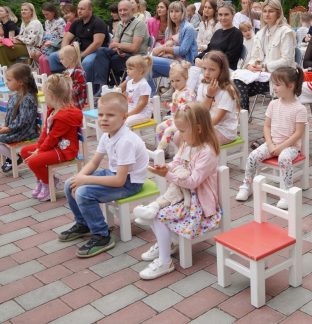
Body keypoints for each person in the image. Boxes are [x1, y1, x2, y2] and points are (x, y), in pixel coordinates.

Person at [58, 92, 149, 257]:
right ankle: (84, 223)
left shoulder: (125, 141)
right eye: (101, 114)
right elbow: (93, 163)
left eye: (110, 115)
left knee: (83, 192)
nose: (104, 119)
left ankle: (102, 235)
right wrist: (78, 179)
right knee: (69, 184)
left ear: (124, 117)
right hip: (115, 175)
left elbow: (120, 180)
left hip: (130, 183)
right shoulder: (108, 134)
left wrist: (84, 181)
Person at [139, 102, 222, 279]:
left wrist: (167, 175)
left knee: (159, 215)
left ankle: (165, 261)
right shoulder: (188, 144)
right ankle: (166, 245)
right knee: (153, 211)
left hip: (198, 202)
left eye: (183, 131)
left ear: (198, 129)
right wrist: (165, 167)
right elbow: (176, 163)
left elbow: (192, 182)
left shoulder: (207, 152)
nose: (180, 136)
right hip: (184, 195)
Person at [236, 67, 307, 208]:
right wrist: (270, 144)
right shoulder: (273, 104)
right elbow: (266, 127)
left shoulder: (300, 109)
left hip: (291, 147)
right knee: (253, 156)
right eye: (273, 83)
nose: (274, 88)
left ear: (291, 86)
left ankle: (287, 193)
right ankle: (246, 185)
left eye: (278, 84)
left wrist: (281, 147)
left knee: (284, 158)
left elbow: (298, 133)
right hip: (272, 144)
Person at [21, 74, 83, 201]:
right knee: (24, 151)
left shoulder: (64, 115)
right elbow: (46, 132)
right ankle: (45, 180)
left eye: (44, 94)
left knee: (33, 161)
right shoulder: (53, 110)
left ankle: (49, 184)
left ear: (50, 95)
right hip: (53, 146)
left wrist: (39, 152)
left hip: (64, 150)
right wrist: (38, 147)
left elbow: (52, 138)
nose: (44, 97)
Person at [234, 0, 296, 112]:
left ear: (278, 13)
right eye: (264, 11)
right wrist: (250, 66)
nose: (267, 14)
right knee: (236, 82)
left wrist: (264, 67)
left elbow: (286, 60)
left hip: (278, 76)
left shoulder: (285, 32)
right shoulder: (261, 33)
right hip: (261, 74)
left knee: (239, 86)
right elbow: (254, 56)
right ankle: (242, 117)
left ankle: (242, 119)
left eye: (271, 11)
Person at [0, 64, 40, 173]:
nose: (6, 82)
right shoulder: (14, 96)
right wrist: (4, 124)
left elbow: (23, 121)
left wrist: (8, 129)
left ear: (21, 82)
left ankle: (16, 158)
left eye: (9, 80)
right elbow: (9, 114)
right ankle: (12, 157)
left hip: (24, 132)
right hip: (12, 129)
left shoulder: (27, 99)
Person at [91, 0, 149, 95]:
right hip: (121, 55)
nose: (122, 13)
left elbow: (134, 48)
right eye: (120, 10)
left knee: (100, 61)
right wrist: (118, 49)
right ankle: (103, 86)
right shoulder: (120, 25)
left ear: (133, 10)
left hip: (135, 57)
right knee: (101, 51)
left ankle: (103, 90)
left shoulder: (139, 24)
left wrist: (118, 46)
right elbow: (112, 45)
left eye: (125, 10)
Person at [46, 0, 109, 81]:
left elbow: (97, 43)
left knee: (86, 63)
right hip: (77, 51)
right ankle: (62, 83)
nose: (79, 11)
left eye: (82, 9)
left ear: (90, 10)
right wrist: (64, 52)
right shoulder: (76, 23)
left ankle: (88, 88)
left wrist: (81, 56)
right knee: (53, 57)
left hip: (94, 52)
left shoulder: (98, 22)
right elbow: (66, 39)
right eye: (78, 8)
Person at [187, 2, 244, 91]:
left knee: (200, 79)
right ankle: (186, 100)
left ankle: (190, 101)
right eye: (220, 15)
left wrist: (208, 62)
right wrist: (198, 58)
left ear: (233, 15)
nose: (223, 18)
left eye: (226, 14)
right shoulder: (218, 32)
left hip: (225, 68)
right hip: (211, 66)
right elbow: (209, 49)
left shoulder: (236, 33)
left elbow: (230, 56)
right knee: (193, 70)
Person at [195, 51, 240, 145]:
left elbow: (216, 119)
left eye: (212, 69)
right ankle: (186, 159)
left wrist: (198, 127)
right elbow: (202, 111)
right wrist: (209, 96)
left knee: (197, 139)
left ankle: (201, 159)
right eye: (204, 68)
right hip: (206, 126)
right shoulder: (203, 85)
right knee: (180, 135)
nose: (206, 73)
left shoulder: (227, 91)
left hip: (225, 131)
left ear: (221, 70)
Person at [150, 2, 198, 88]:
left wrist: (161, 49)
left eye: (177, 11)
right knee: (143, 72)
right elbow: (168, 48)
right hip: (171, 61)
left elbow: (183, 50)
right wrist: (163, 52)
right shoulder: (169, 29)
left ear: (183, 13)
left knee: (148, 60)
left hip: (184, 64)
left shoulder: (188, 28)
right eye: (171, 11)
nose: (173, 14)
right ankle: (151, 97)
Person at [0, 2, 44, 68]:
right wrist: (17, 38)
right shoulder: (23, 23)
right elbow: (22, 36)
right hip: (22, 45)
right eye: (22, 10)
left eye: (25, 10)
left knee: (1, 48)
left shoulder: (35, 23)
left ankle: (2, 69)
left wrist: (16, 39)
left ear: (32, 11)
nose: (23, 11)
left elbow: (30, 40)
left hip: (31, 48)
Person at [156, 61, 196, 150]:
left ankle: (159, 152)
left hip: (185, 121)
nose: (175, 84)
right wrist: (169, 106)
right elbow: (174, 106)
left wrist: (177, 105)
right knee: (159, 128)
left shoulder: (189, 94)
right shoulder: (176, 92)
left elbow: (190, 109)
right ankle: (164, 152)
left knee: (167, 131)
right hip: (174, 119)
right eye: (172, 81)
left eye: (177, 80)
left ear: (186, 78)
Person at [118, 55, 153, 128]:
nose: (127, 71)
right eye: (127, 68)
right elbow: (126, 99)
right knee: (115, 118)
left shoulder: (143, 85)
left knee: (127, 122)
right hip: (131, 112)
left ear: (140, 70)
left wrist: (129, 114)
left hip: (143, 114)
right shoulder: (129, 83)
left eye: (130, 69)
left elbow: (143, 103)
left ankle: (129, 139)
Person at [35, 2, 66, 75]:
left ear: (53, 12)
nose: (45, 16)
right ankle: (44, 79)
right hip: (48, 46)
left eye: (47, 14)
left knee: (45, 59)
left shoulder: (60, 21)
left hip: (56, 46)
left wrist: (51, 42)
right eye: (44, 14)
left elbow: (62, 37)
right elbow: (47, 35)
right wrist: (43, 44)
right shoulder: (46, 22)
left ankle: (50, 80)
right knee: (40, 58)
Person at [57, 43, 87, 110]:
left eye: (62, 59)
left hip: (76, 102)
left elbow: (79, 87)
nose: (60, 61)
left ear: (71, 59)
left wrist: (66, 93)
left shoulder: (78, 71)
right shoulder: (66, 71)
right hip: (68, 100)